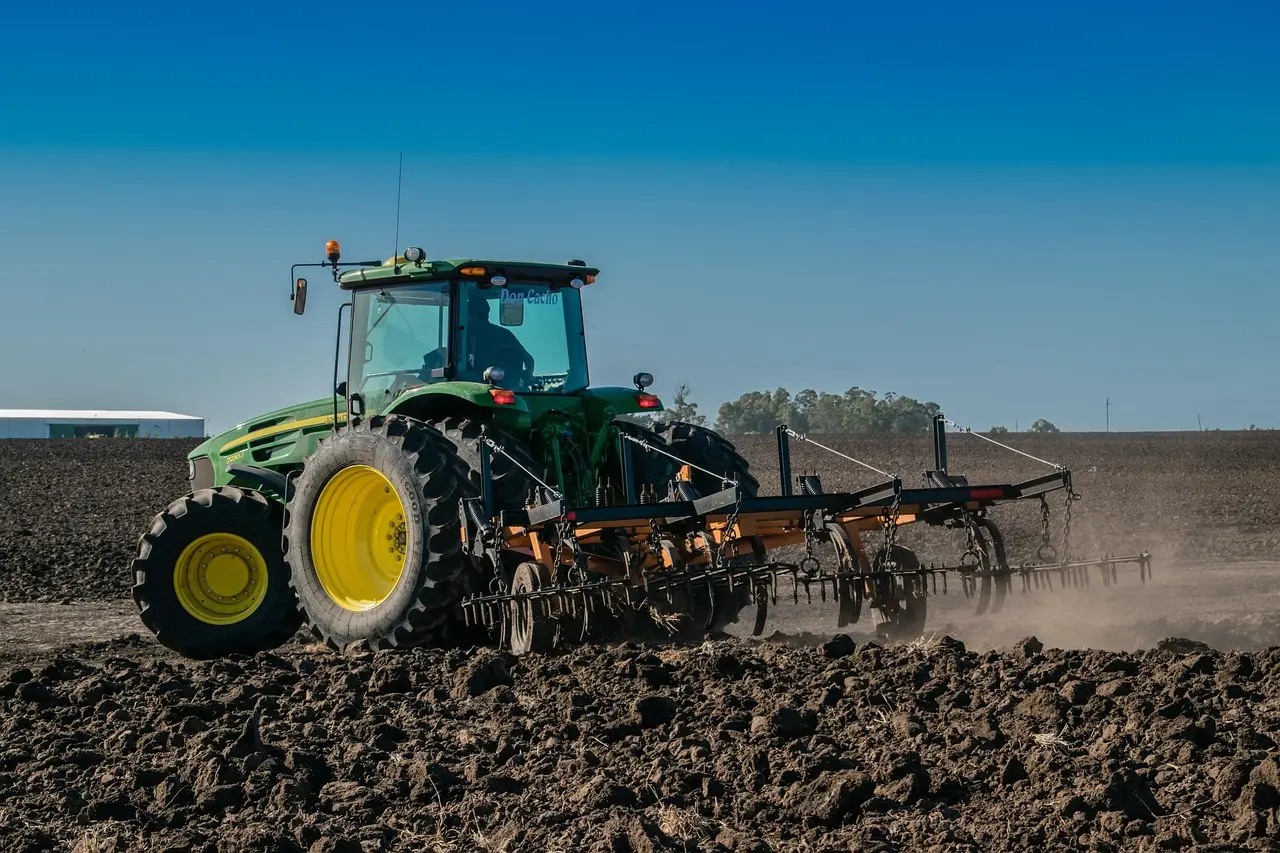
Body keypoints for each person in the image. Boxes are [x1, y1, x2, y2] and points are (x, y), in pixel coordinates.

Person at [462, 294, 534, 387]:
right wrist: (527, 378)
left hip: (480, 389)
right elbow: (529, 360)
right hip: (510, 392)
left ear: (473, 314)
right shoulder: (505, 335)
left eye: (466, 314)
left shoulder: (464, 336)